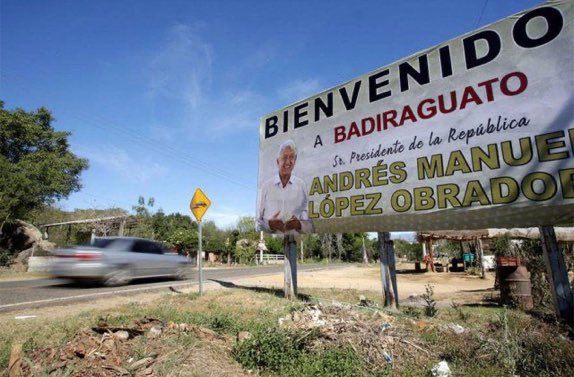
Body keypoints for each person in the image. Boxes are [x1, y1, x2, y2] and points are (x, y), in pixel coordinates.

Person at [257, 140, 314, 234]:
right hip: (271, 242)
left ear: (295, 161)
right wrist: (270, 225)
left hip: (297, 242)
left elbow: (310, 224)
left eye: (291, 157)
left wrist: (299, 224)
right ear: (277, 161)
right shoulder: (266, 186)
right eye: (284, 157)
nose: (288, 162)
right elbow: (257, 222)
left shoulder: (301, 185)